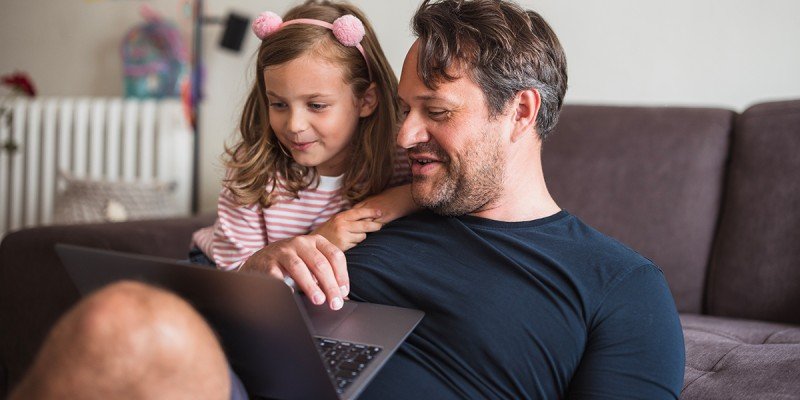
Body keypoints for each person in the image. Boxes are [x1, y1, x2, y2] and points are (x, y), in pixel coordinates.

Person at [10, 0, 685, 399]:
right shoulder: (374, 206)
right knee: (121, 320)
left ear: (520, 112)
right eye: (402, 106)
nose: (405, 132)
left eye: (436, 111)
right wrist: (262, 271)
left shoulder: (619, 286)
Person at [189, 0, 416, 309]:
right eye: (279, 104)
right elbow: (237, 282)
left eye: (316, 105)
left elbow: (439, 193)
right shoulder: (252, 170)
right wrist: (320, 240)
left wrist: (396, 199)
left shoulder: (399, 156)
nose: (294, 126)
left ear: (366, 100)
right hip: (225, 271)